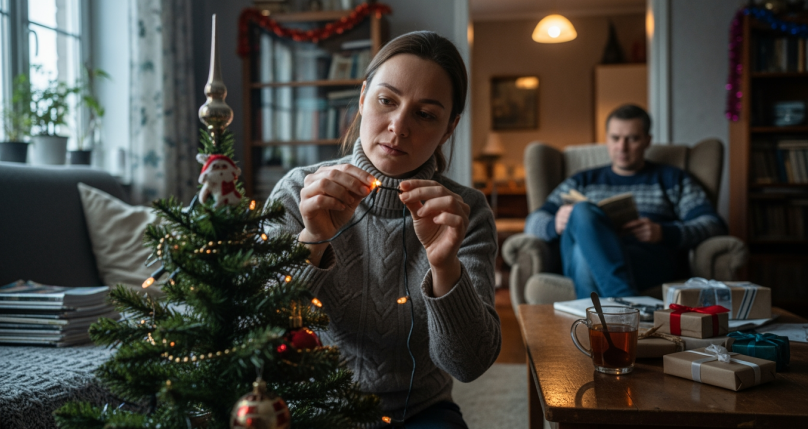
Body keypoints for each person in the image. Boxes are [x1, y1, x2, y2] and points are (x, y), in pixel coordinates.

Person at [267, 31, 500, 428]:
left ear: (448, 128)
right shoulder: (299, 191)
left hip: (420, 412)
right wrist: (312, 242)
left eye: (425, 114)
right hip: (309, 407)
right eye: (387, 100)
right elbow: (256, 334)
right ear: (362, 98)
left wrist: (445, 268)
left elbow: (468, 364)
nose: (398, 126)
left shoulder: (465, 213)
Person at [524, 104, 727, 298]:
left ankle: (594, 322)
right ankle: (626, 301)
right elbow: (532, 222)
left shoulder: (672, 179)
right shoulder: (583, 181)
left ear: (647, 140)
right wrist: (554, 224)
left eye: (632, 139)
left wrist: (663, 232)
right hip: (589, 259)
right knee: (582, 211)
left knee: (582, 257)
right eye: (615, 138)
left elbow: (713, 225)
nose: (622, 147)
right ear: (607, 140)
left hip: (644, 261)